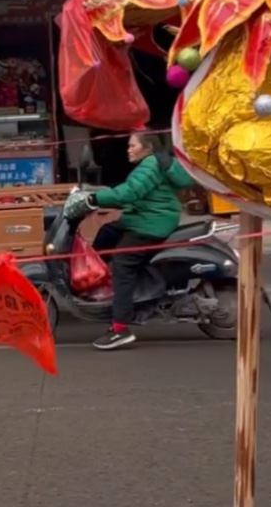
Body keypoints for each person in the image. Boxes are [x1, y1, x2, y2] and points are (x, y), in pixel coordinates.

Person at [82, 132, 192, 351]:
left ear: (147, 147)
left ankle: (120, 328)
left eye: (133, 145)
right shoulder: (151, 163)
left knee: (123, 263)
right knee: (107, 231)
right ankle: (96, 282)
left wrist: (94, 198)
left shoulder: (149, 166)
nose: (128, 149)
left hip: (150, 224)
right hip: (141, 218)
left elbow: (129, 193)